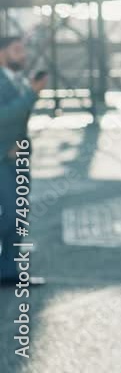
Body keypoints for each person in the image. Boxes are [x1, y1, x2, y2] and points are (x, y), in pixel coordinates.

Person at [0, 35, 46, 286]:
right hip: (2, 159)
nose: (23, 55)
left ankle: (8, 269)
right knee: (12, 214)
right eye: (17, 50)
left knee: (18, 215)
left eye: (23, 50)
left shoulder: (16, 81)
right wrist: (31, 94)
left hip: (16, 160)